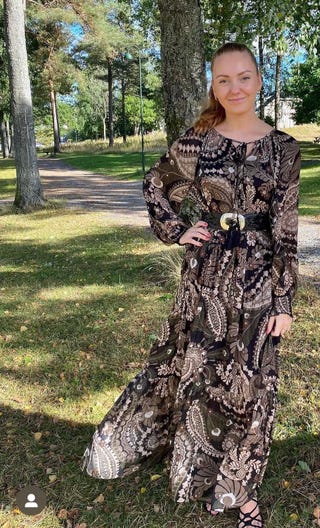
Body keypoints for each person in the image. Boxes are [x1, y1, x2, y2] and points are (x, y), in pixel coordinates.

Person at [81, 41, 301, 528]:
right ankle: (194, 472)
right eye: (223, 80)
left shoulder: (284, 149)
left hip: (258, 283)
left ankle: (239, 492)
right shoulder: (197, 142)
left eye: (243, 77)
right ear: (213, 87)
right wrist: (177, 230)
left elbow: (286, 228)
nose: (234, 87)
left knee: (251, 385)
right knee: (199, 375)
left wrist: (284, 299)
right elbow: (154, 184)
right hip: (205, 279)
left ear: (259, 80)